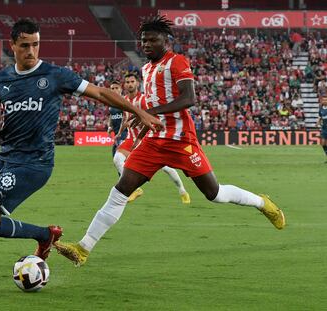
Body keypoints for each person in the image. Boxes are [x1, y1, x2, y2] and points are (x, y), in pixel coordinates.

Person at [0, 19, 162, 289]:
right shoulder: (3, 80)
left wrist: (140, 112)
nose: (31, 51)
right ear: (13, 46)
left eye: (36, 44)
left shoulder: (56, 75)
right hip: (5, 159)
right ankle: (46, 235)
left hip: (34, 164)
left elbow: (101, 93)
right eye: (25, 46)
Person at [54, 16, 286, 267]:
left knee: (214, 194)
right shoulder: (146, 69)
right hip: (154, 142)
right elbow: (153, 101)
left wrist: (150, 114)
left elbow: (189, 98)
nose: (147, 44)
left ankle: (263, 203)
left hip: (181, 141)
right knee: (121, 190)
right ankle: (83, 248)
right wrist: (141, 117)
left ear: (167, 41)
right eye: (144, 40)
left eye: (153, 40)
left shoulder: (177, 62)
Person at [113, 72, 191, 203]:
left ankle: (182, 190)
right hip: (131, 139)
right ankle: (135, 189)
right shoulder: (124, 100)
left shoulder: (143, 100)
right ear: (124, 85)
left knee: (166, 168)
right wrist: (120, 132)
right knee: (117, 159)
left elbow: (153, 118)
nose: (130, 84)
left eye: (132, 81)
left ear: (137, 83)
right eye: (127, 82)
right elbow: (125, 119)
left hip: (146, 138)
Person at [107, 80, 127, 158]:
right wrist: (109, 127)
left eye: (116, 88)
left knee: (120, 159)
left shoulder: (125, 101)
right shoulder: (111, 103)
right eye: (112, 88)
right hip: (117, 136)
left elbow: (127, 118)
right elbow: (111, 116)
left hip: (125, 135)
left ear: (121, 89)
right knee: (116, 159)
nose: (114, 90)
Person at [318, 97, 327, 162]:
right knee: (323, 143)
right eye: (323, 100)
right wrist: (317, 123)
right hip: (324, 128)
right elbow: (320, 117)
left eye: (326, 100)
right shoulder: (321, 109)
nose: (325, 101)